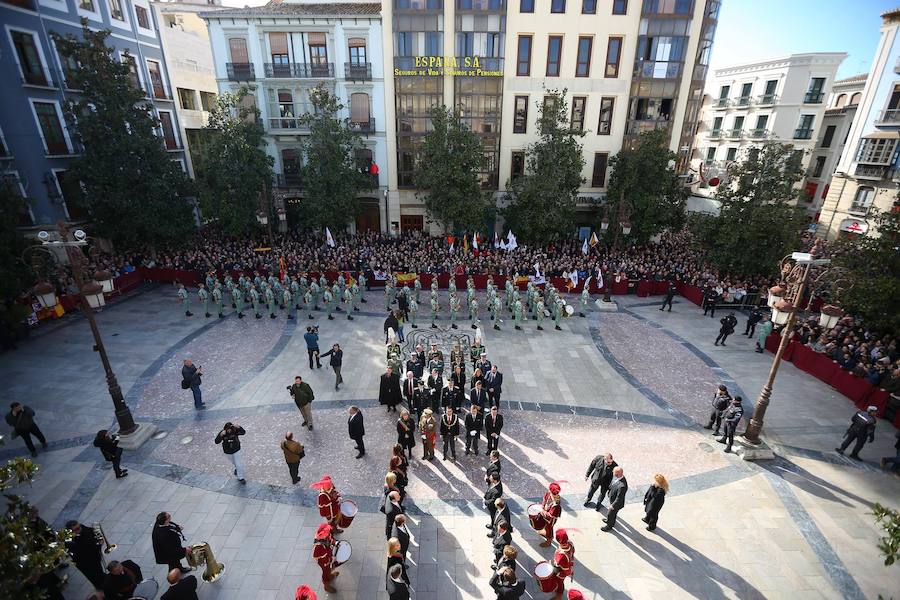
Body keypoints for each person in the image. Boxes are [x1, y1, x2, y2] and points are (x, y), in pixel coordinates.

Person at [65, 520, 105, 589]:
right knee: (93, 577)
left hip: (95, 558)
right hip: (84, 563)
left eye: (79, 526)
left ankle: (103, 579)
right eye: (77, 529)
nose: (80, 529)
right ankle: (100, 587)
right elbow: (86, 550)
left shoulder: (82, 528)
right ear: (71, 531)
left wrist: (98, 535)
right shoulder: (70, 541)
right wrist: (99, 545)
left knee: (99, 570)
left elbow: (90, 530)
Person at [312, 523, 338, 593]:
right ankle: (326, 586)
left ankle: (330, 575)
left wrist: (335, 543)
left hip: (329, 557)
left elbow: (330, 539)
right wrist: (328, 561)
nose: (329, 532)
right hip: (324, 562)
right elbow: (315, 556)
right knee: (325, 572)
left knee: (329, 569)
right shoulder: (318, 546)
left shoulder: (326, 535)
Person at [550, 529, 575, 600]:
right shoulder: (570, 543)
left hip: (561, 573)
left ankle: (559, 596)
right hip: (568, 564)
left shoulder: (561, 556)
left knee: (560, 583)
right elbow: (573, 553)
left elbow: (566, 570)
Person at [601, 467, 628, 532]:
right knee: (612, 514)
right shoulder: (618, 478)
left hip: (616, 504)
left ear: (618, 474)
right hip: (613, 500)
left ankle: (609, 526)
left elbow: (619, 498)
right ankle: (610, 521)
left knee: (610, 514)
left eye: (614, 472)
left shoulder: (622, 486)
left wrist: (613, 505)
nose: (612, 473)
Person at [539, 482, 562, 547]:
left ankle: (549, 541)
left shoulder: (556, 505)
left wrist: (543, 511)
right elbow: (545, 499)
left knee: (549, 529)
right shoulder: (549, 493)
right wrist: (543, 506)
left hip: (551, 520)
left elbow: (551, 515)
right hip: (545, 514)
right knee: (545, 526)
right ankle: (545, 532)